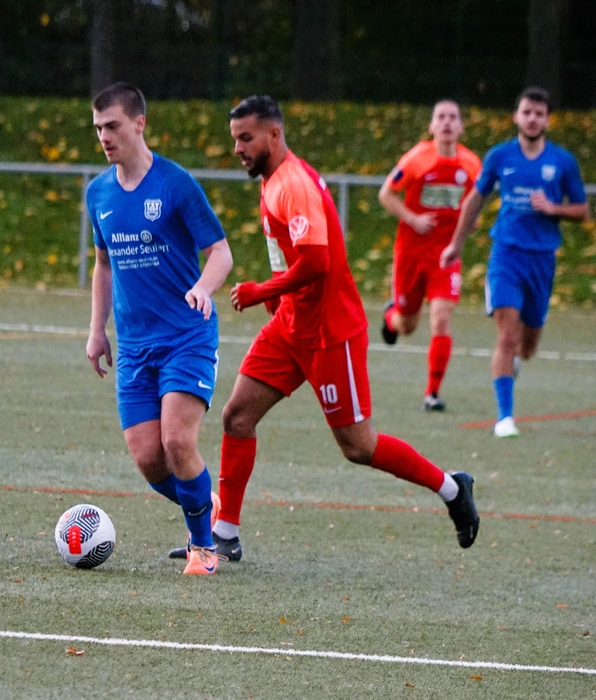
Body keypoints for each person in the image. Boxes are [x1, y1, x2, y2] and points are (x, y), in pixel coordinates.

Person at [171, 95, 479, 562]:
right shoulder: (272, 179)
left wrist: (261, 289)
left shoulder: (293, 183)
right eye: (235, 139)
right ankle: (225, 533)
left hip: (331, 333)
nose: (237, 149)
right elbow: (291, 252)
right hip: (290, 326)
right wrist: (278, 294)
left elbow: (319, 261)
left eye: (246, 139)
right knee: (237, 417)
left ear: (274, 134)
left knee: (358, 446)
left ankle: (452, 488)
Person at [85, 82, 233, 575]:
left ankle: (203, 547)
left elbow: (221, 253)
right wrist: (97, 330)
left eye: (112, 126)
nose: (104, 137)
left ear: (139, 123)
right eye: (98, 128)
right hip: (134, 347)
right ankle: (202, 504)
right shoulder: (98, 192)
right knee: (150, 460)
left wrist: (204, 288)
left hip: (186, 337)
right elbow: (103, 264)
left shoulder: (175, 184)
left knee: (177, 442)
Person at [441, 86, 590, 438]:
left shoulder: (562, 161)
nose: (533, 119)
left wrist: (553, 209)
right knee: (506, 336)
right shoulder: (499, 156)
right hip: (505, 255)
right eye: (527, 112)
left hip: (542, 260)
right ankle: (504, 417)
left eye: (539, 114)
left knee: (528, 344)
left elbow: (583, 211)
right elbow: (474, 201)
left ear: (547, 120)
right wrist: (455, 245)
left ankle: (516, 363)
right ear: (516, 117)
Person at [378, 100, 482, 412]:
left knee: (441, 317)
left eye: (453, 117)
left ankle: (432, 393)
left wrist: (470, 222)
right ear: (432, 126)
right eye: (441, 117)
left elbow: (475, 203)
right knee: (407, 325)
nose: (447, 122)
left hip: (445, 255)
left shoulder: (471, 164)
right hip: (411, 253)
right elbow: (386, 194)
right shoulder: (417, 158)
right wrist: (413, 219)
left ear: (461, 126)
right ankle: (390, 317)